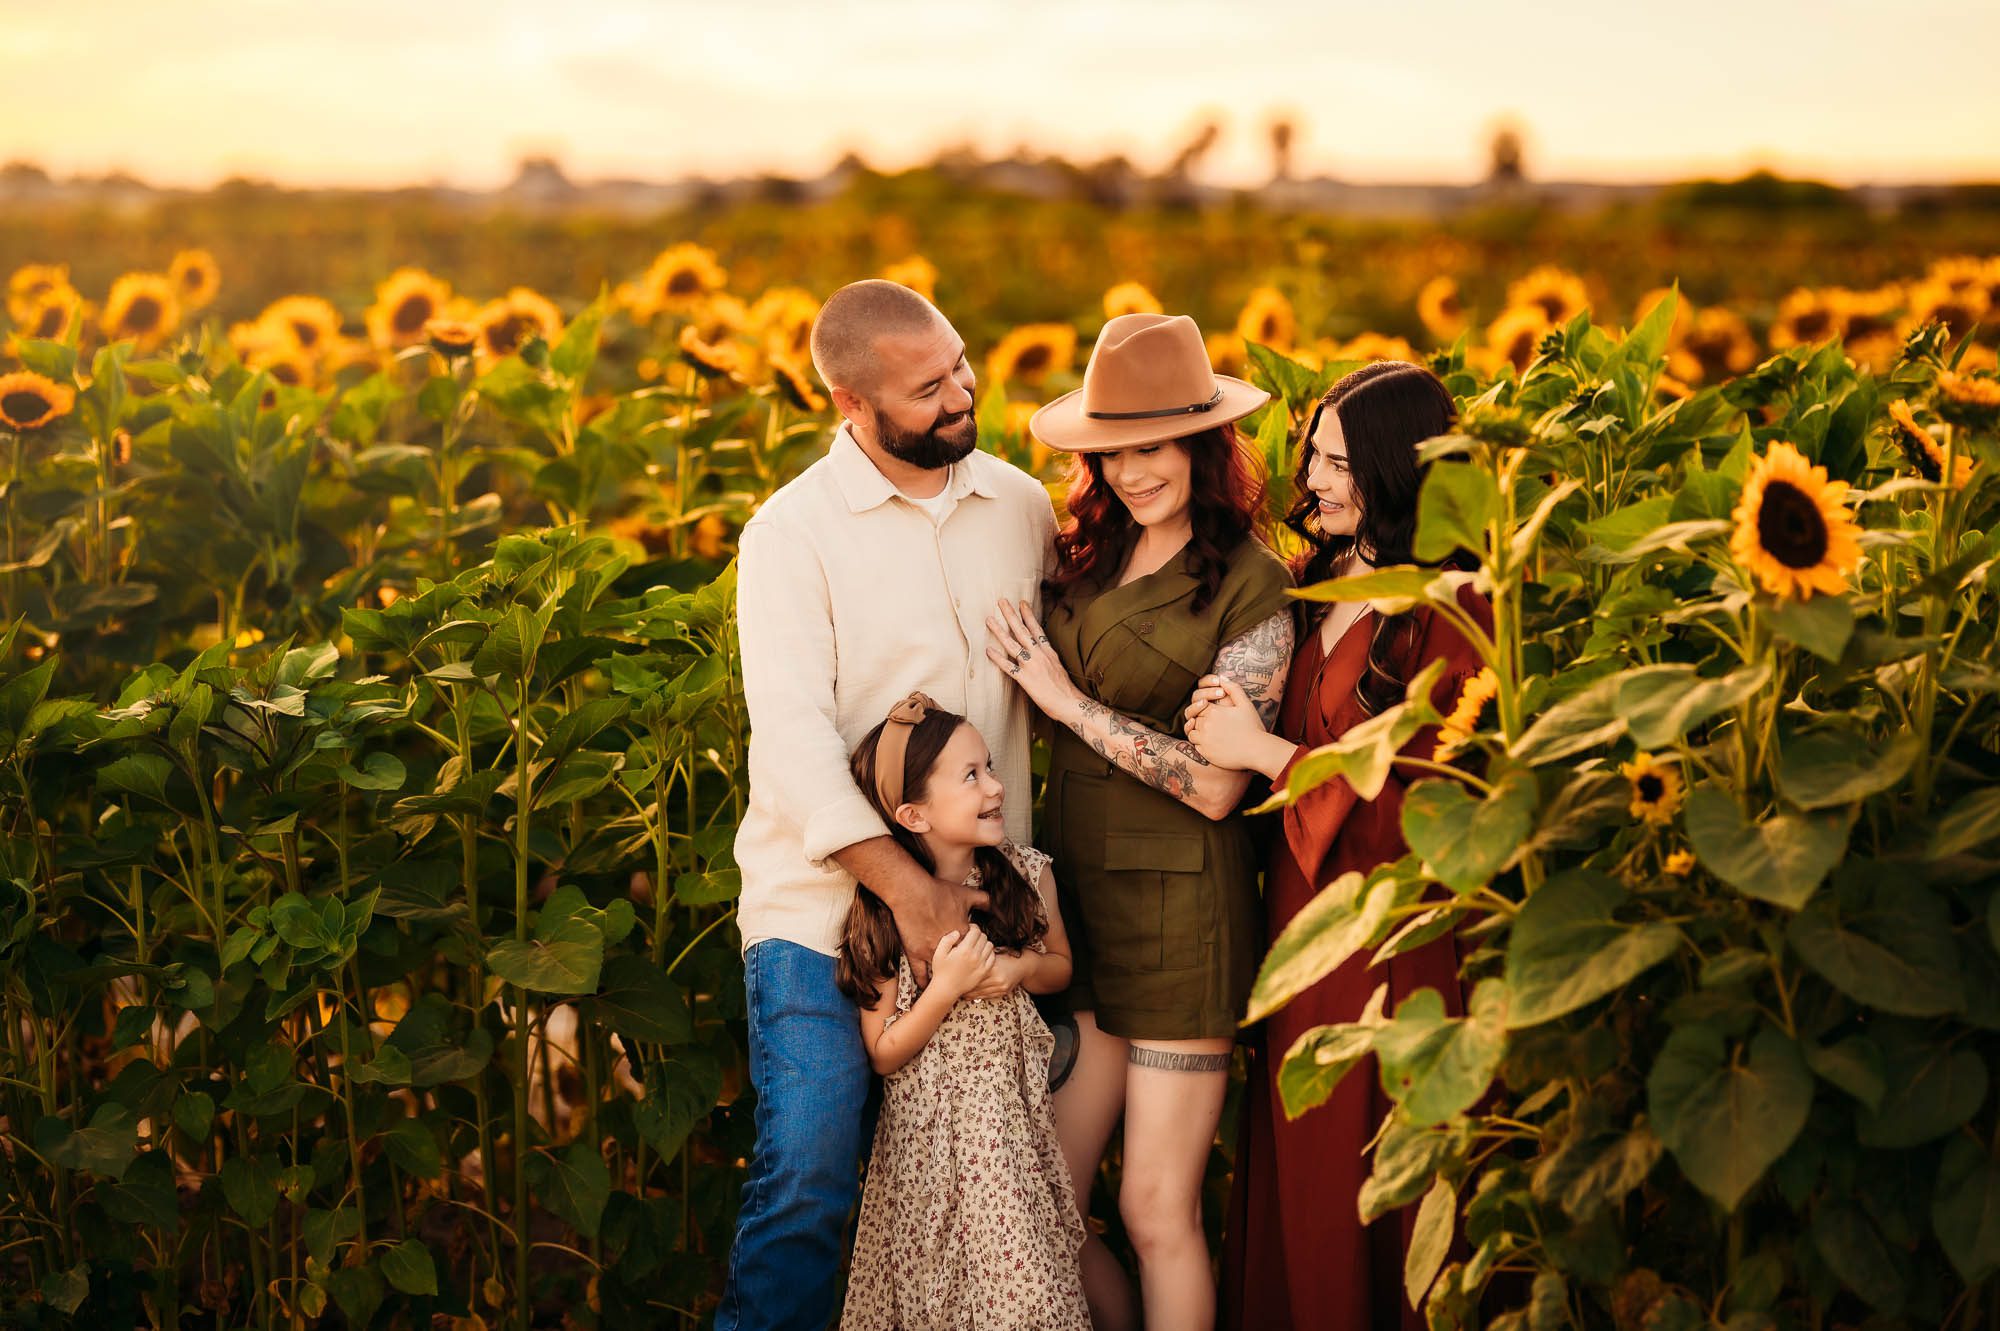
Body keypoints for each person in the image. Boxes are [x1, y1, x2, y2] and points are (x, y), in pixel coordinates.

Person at [720, 280, 1058, 1331]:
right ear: (850, 404)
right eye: (929, 388)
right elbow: (793, 743)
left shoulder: (1018, 504)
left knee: (996, 1198)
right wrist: (910, 896)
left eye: (960, 364)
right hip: (818, 917)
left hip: (984, 910)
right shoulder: (790, 536)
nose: (962, 395)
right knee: (810, 1178)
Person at [983, 312, 1295, 1331]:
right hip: (1071, 914)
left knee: (1154, 1206)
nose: (1129, 470)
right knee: (1048, 1205)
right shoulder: (1079, 550)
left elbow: (1216, 786)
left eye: (1153, 445)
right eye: (1110, 450)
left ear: (1204, 444)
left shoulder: (1251, 582)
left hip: (1176, 924)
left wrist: (1065, 702)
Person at [1184, 359, 1493, 1331]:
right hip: (1302, 933)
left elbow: (1429, 806)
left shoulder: (1452, 606)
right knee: (1304, 1181)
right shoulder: (1317, 582)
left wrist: (1261, 749)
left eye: (1334, 463)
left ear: (1396, 473)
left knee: (1380, 1188)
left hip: (1394, 943)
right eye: (1312, 455)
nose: (1310, 479)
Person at [836, 693, 1090, 1331]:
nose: (998, 787)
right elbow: (883, 1052)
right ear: (913, 814)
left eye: (991, 768)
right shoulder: (881, 912)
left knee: (1027, 1293)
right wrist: (944, 988)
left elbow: (1059, 963)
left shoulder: (1026, 875)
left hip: (1007, 1136)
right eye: (972, 776)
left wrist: (1019, 969)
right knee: (937, 1299)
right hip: (925, 1153)